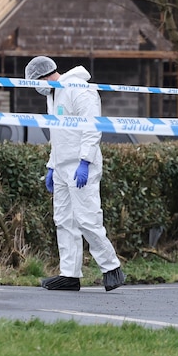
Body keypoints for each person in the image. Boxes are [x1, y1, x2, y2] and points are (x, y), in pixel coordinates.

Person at [24, 56, 125, 292]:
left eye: (35, 82)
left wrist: (85, 161)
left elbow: (92, 127)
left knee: (87, 218)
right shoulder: (53, 94)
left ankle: (112, 268)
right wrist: (52, 165)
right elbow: (59, 135)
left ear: (45, 76)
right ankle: (69, 274)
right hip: (61, 166)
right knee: (64, 220)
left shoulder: (79, 90)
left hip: (81, 166)